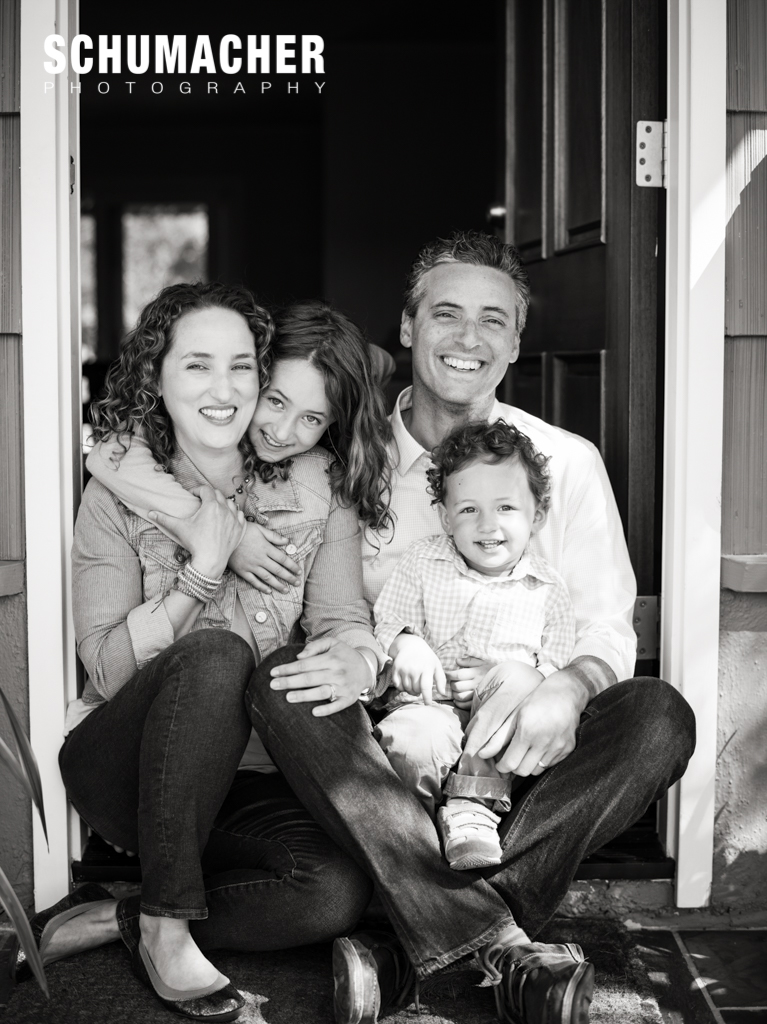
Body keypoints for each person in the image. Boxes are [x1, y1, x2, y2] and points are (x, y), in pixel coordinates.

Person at [76, 233, 694, 1024]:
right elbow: (138, 455)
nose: (467, 338)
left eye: (492, 320)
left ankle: (421, 939)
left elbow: (606, 628)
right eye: (445, 314)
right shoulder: (348, 454)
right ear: (406, 327)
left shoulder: (564, 463)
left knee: (657, 716)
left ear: (516, 341)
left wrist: (565, 688)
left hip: (511, 749)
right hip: (373, 754)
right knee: (288, 680)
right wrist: (365, 654)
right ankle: (482, 944)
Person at [12, 286, 393, 1023]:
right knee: (216, 654)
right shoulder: (118, 487)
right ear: (156, 378)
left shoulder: (316, 483)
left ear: (259, 374)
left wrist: (357, 656)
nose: (225, 391)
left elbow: (342, 618)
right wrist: (203, 569)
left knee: (331, 893)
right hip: (126, 766)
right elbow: (108, 670)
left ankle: (123, 916)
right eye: (196, 366)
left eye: (241, 368)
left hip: (249, 775)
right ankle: (165, 928)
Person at [373, 420, 576, 872]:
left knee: (520, 677)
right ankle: (417, 838)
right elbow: (386, 622)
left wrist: (500, 681)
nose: (488, 525)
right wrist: (406, 645)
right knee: (410, 741)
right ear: (446, 517)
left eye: (506, 507)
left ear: (537, 516)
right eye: (468, 509)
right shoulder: (423, 561)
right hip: (430, 708)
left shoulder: (546, 590)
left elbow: (555, 674)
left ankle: (471, 805)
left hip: (502, 735)